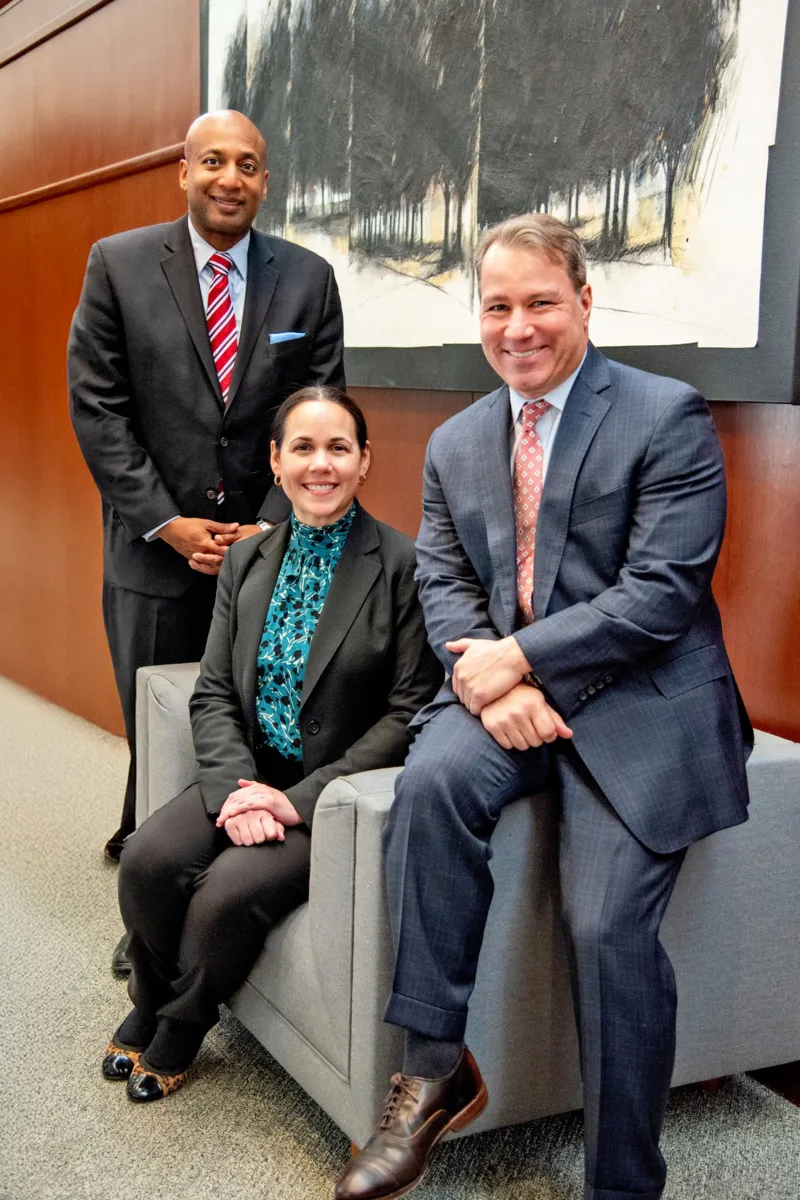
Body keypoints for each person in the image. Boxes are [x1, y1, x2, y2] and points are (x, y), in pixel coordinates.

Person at [336, 215, 752, 1200]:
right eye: (496, 305)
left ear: (582, 303)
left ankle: (622, 1181)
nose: (515, 326)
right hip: (504, 702)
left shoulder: (665, 414)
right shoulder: (456, 441)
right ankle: (432, 1069)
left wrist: (518, 661)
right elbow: (441, 580)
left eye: (538, 302)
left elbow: (663, 590)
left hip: (638, 702)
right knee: (428, 786)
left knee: (605, 929)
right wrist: (489, 676)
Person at [102, 387, 441, 1103]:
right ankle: (150, 994)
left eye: (339, 448)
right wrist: (232, 788)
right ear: (276, 461)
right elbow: (217, 688)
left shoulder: (405, 566)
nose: (322, 465)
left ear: (364, 461)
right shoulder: (247, 559)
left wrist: (293, 802)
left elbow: (410, 711)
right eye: (304, 449)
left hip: (328, 792)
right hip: (246, 773)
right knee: (146, 861)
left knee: (224, 896)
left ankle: (183, 1025)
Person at [68, 109, 345, 870]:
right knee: (157, 720)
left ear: (265, 180)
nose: (231, 179)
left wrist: (267, 525)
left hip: (268, 550)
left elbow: (320, 413)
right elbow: (98, 409)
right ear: (184, 172)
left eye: (248, 165)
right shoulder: (118, 265)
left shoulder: (309, 279)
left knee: (253, 718)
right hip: (153, 551)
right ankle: (151, 897)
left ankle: (221, 871)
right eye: (214, 162)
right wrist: (166, 521)